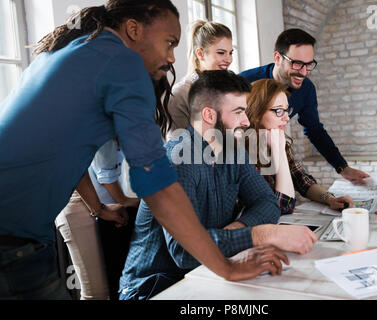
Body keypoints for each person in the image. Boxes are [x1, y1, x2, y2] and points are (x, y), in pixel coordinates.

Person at [0, 0, 287, 300]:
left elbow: (68, 153)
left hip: (20, 235)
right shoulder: (123, 63)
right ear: (133, 29)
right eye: (169, 43)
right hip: (12, 239)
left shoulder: (75, 51)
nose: (172, 58)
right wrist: (227, 267)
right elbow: (157, 187)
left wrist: (97, 208)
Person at [119, 70, 317, 300]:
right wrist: (260, 234)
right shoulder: (176, 162)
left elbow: (268, 204)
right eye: (239, 112)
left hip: (207, 274)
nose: (246, 121)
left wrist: (236, 229)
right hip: (156, 288)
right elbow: (183, 252)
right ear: (209, 115)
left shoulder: (234, 152)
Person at [240, 28, 370, 184]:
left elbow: (315, 130)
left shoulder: (306, 88)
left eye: (309, 65)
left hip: (271, 156)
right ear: (277, 58)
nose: (304, 72)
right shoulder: (242, 82)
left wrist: (342, 167)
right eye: (297, 63)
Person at [245, 79, 354, 215]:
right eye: (279, 111)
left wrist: (329, 199)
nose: (287, 118)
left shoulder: (274, 139)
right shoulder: (243, 155)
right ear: (256, 112)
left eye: (287, 110)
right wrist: (279, 153)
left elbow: (302, 180)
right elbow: (283, 206)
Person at [55, 138, 140, 300]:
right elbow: (105, 173)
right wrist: (121, 201)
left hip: (105, 204)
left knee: (112, 287)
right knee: (96, 293)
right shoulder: (99, 118)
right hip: (80, 202)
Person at [167, 19, 233, 138]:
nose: (228, 59)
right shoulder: (181, 94)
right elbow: (177, 150)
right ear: (200, 54)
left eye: (230, 53)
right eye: (221, 53)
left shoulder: (228, 91)